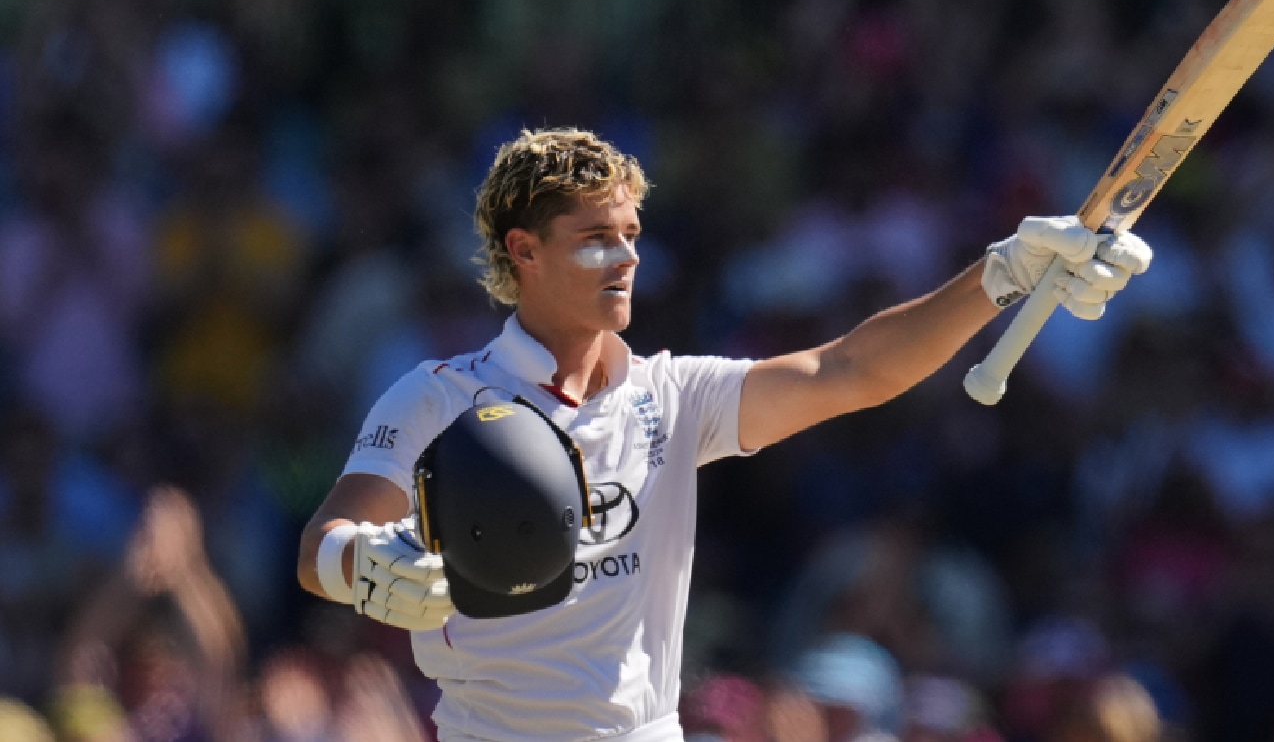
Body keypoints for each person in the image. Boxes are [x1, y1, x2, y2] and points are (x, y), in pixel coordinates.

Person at [294, 128, 1153, 741]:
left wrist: (1002, 274)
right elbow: (322, 543)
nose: (626, 259)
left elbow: (853, 370)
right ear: (524, 251)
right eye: (595, 239)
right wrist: (364, 564)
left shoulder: (673, 395)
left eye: (630, 236)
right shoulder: (438, 396)